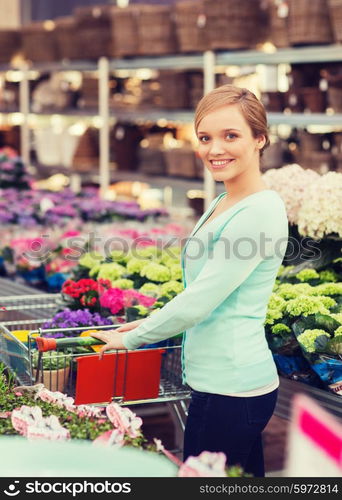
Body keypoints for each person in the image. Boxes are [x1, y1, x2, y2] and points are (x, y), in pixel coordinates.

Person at [91, 84, 289, 477]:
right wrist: (145, 323)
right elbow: (204, 288)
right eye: (205, 138)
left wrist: (132, 339)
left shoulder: (258, 211)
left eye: (230, 136)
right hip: (220, 382)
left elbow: (201, 300)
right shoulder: (224, 200)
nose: (215, 149)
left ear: (260, 139)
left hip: (231, 388)